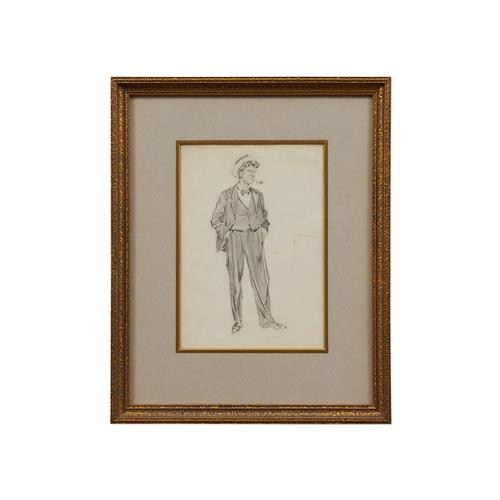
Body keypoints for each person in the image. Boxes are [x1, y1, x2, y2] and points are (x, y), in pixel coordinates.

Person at [210, 154, 286, 334]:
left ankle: (266, 320)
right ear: (240, 173)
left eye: (254, 172)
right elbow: (215, 219)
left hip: (254, 237)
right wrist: (226, 233)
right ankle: (237, 321)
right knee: (235, 281)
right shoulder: (226, 195)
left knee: (262, 278)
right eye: (250, 171)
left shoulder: (258, 195)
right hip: (234, 238)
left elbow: (264, 216)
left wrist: (264, 229)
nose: (253, 175)